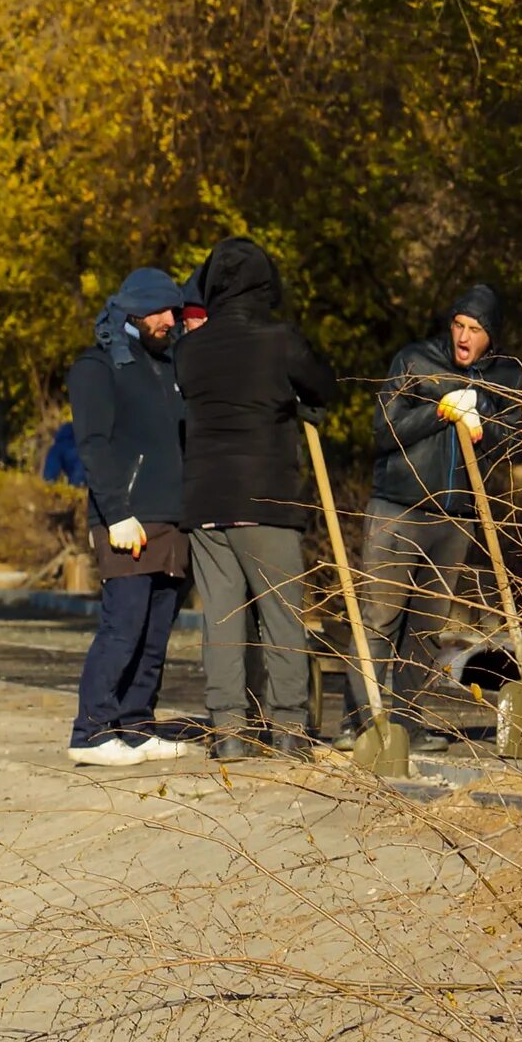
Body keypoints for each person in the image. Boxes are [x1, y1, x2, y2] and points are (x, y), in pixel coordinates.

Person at [176, 236, 341, 759]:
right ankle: (288, 726)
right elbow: (322, 386)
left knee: (222, 621)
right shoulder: (278, 339)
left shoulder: (189, 349)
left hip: (205, 502)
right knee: (280, 617)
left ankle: (228, 731)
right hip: (266, 499)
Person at [364, 284, 522, 722]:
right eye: (458, 325)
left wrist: (483, 427)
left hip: (457, 516)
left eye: (475, 329)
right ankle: (363, 720)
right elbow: (384, 430)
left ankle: (406, 722)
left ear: (490, 335)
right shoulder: (415, 360)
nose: (464, 337)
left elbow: (512, 441)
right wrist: (438, 411)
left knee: (427, 628)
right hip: (399, 508)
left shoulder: (507, 377)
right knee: (379, 620)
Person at [65, 267, 194, 765]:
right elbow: (93, 445)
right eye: (160, 311)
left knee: (156, 630)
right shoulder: (97, 367)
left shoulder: (169, 364)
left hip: (172, 517)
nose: (170, 320)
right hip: (126, 520)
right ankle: (90, 731)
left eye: (175, 310)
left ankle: (136, 724)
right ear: (133, 311)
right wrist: (116, 512)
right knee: (125, 624)